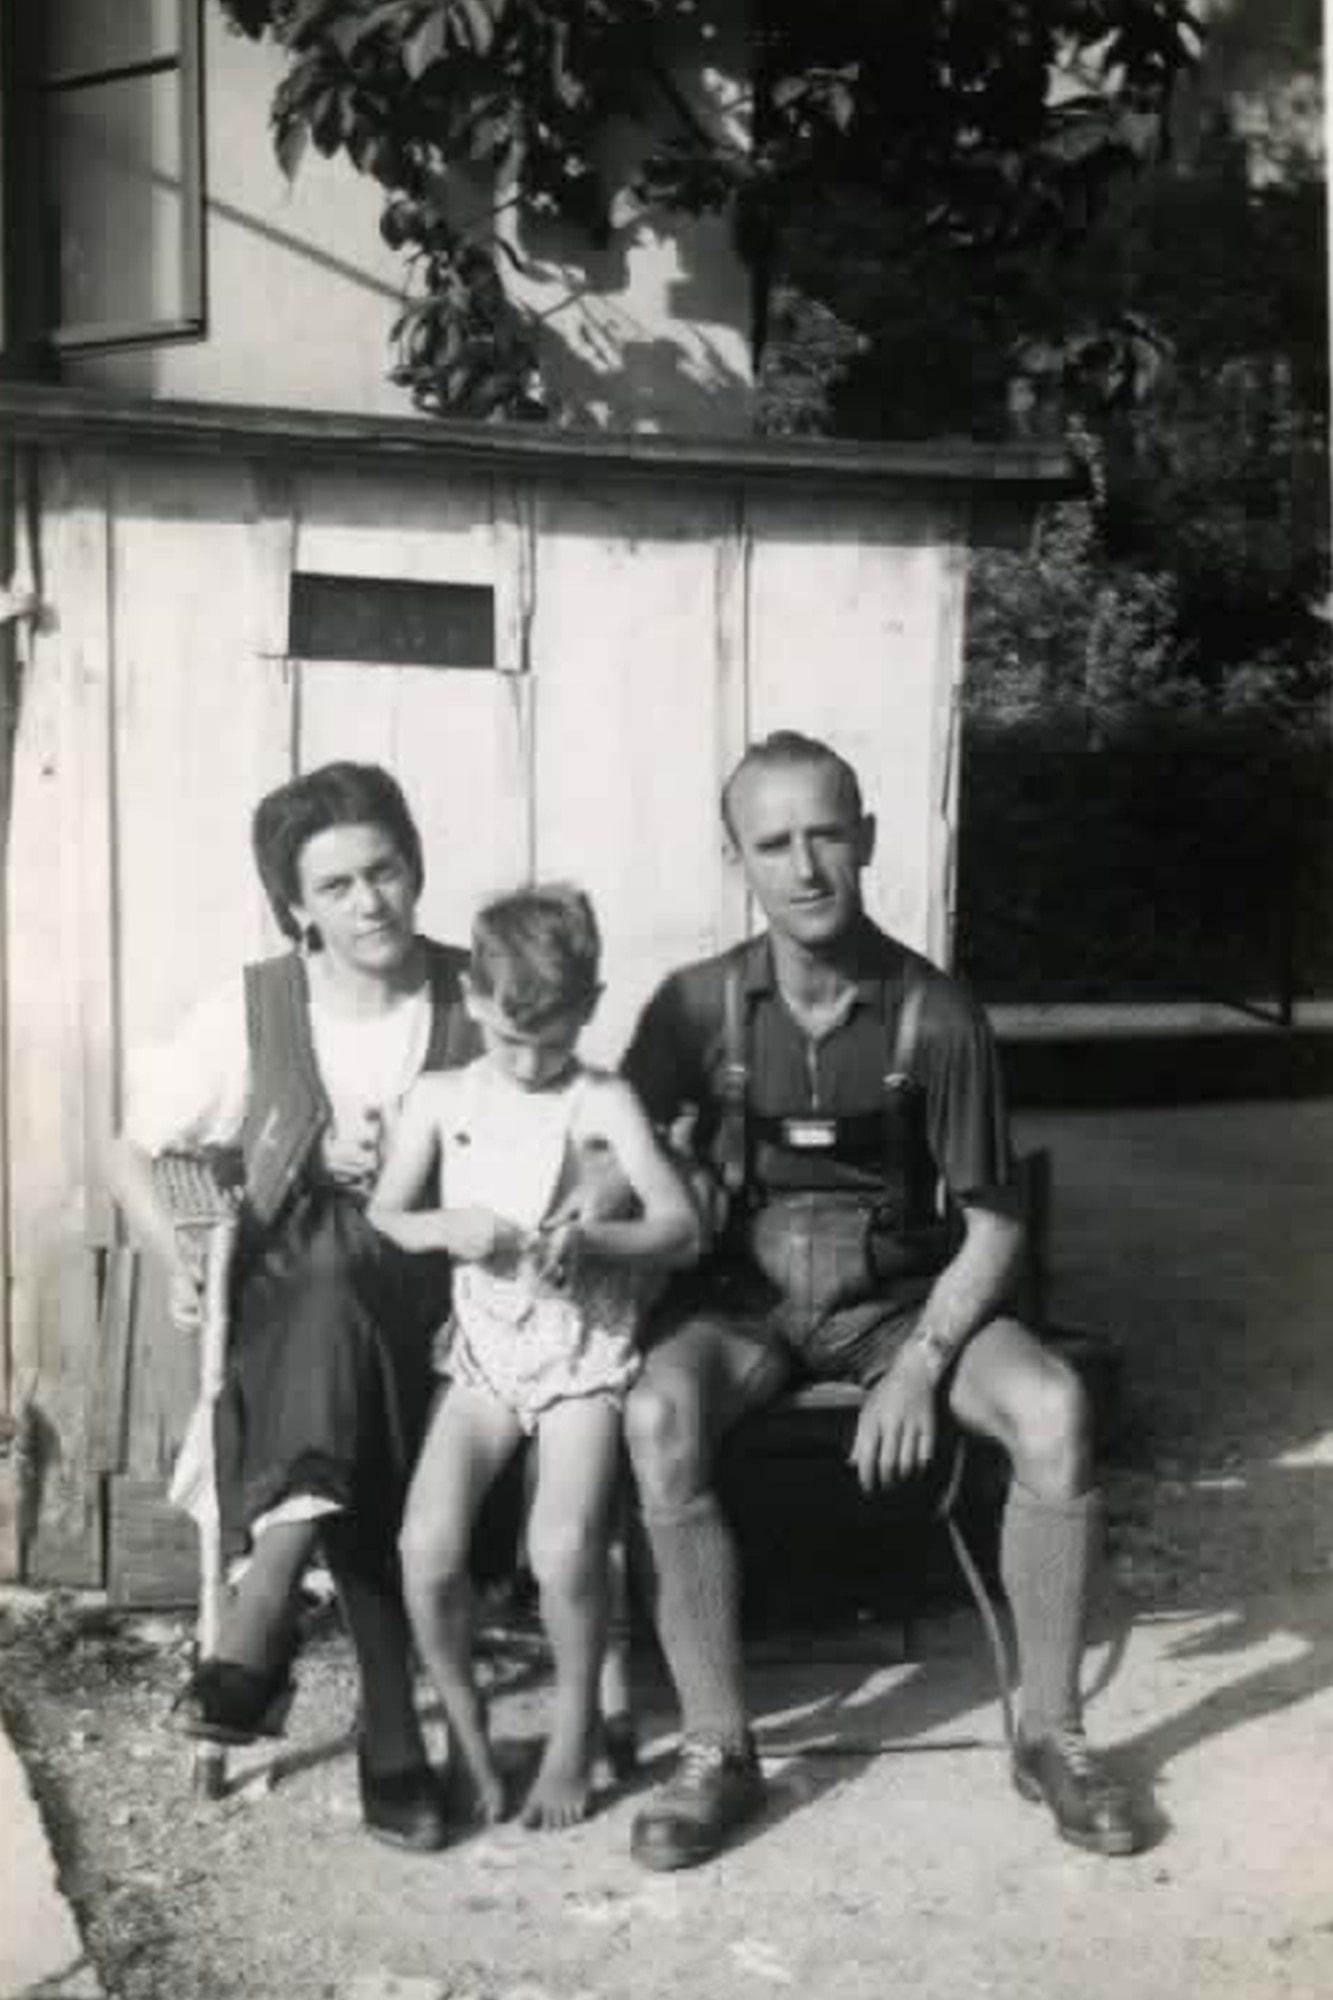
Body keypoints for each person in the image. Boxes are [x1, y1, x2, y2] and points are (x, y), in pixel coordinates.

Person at [619, 730, 1142, 1870]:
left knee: (1052, 1407)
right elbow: (601, 1149)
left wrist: (918, 1364)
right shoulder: (691, 1010)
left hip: (904, 1301)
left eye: (824, 835)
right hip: (747, 1304)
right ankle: (717, 1746)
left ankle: (1051, 1731)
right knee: (655, 1416)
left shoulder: (936, 1013)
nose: (804, 866)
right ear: (739, 861)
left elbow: (997, 1221)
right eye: (773, 843)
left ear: (865, 840)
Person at [106, 761, 487, 1852]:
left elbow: (560, 1135)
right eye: (336, 886)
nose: (369, 902)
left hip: (448, 1314)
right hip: (290, 1318)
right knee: (326, 1280)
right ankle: (385, 1716)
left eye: (386, 870)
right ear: (295, 905)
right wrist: (180, 1245)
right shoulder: (254, 1006)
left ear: (416, 868)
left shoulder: (480, 992)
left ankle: (265, 1609)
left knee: (354, 1303)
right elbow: (141, 1149)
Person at [372, 885, 701, 1831]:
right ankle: (467, 1731)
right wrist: (450, 1225)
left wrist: (596, 1242)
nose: (527, 1061)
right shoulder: (441, 1098)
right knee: (423, 1547)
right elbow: (385, 1216)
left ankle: (569, 1737)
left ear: (588, 1011)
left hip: (579, 1357)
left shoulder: (600, 1099)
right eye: (510, 1038)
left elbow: (678, 1229)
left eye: (550, 1041)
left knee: (562, 1549)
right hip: (484, 1357)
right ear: (473, 998)